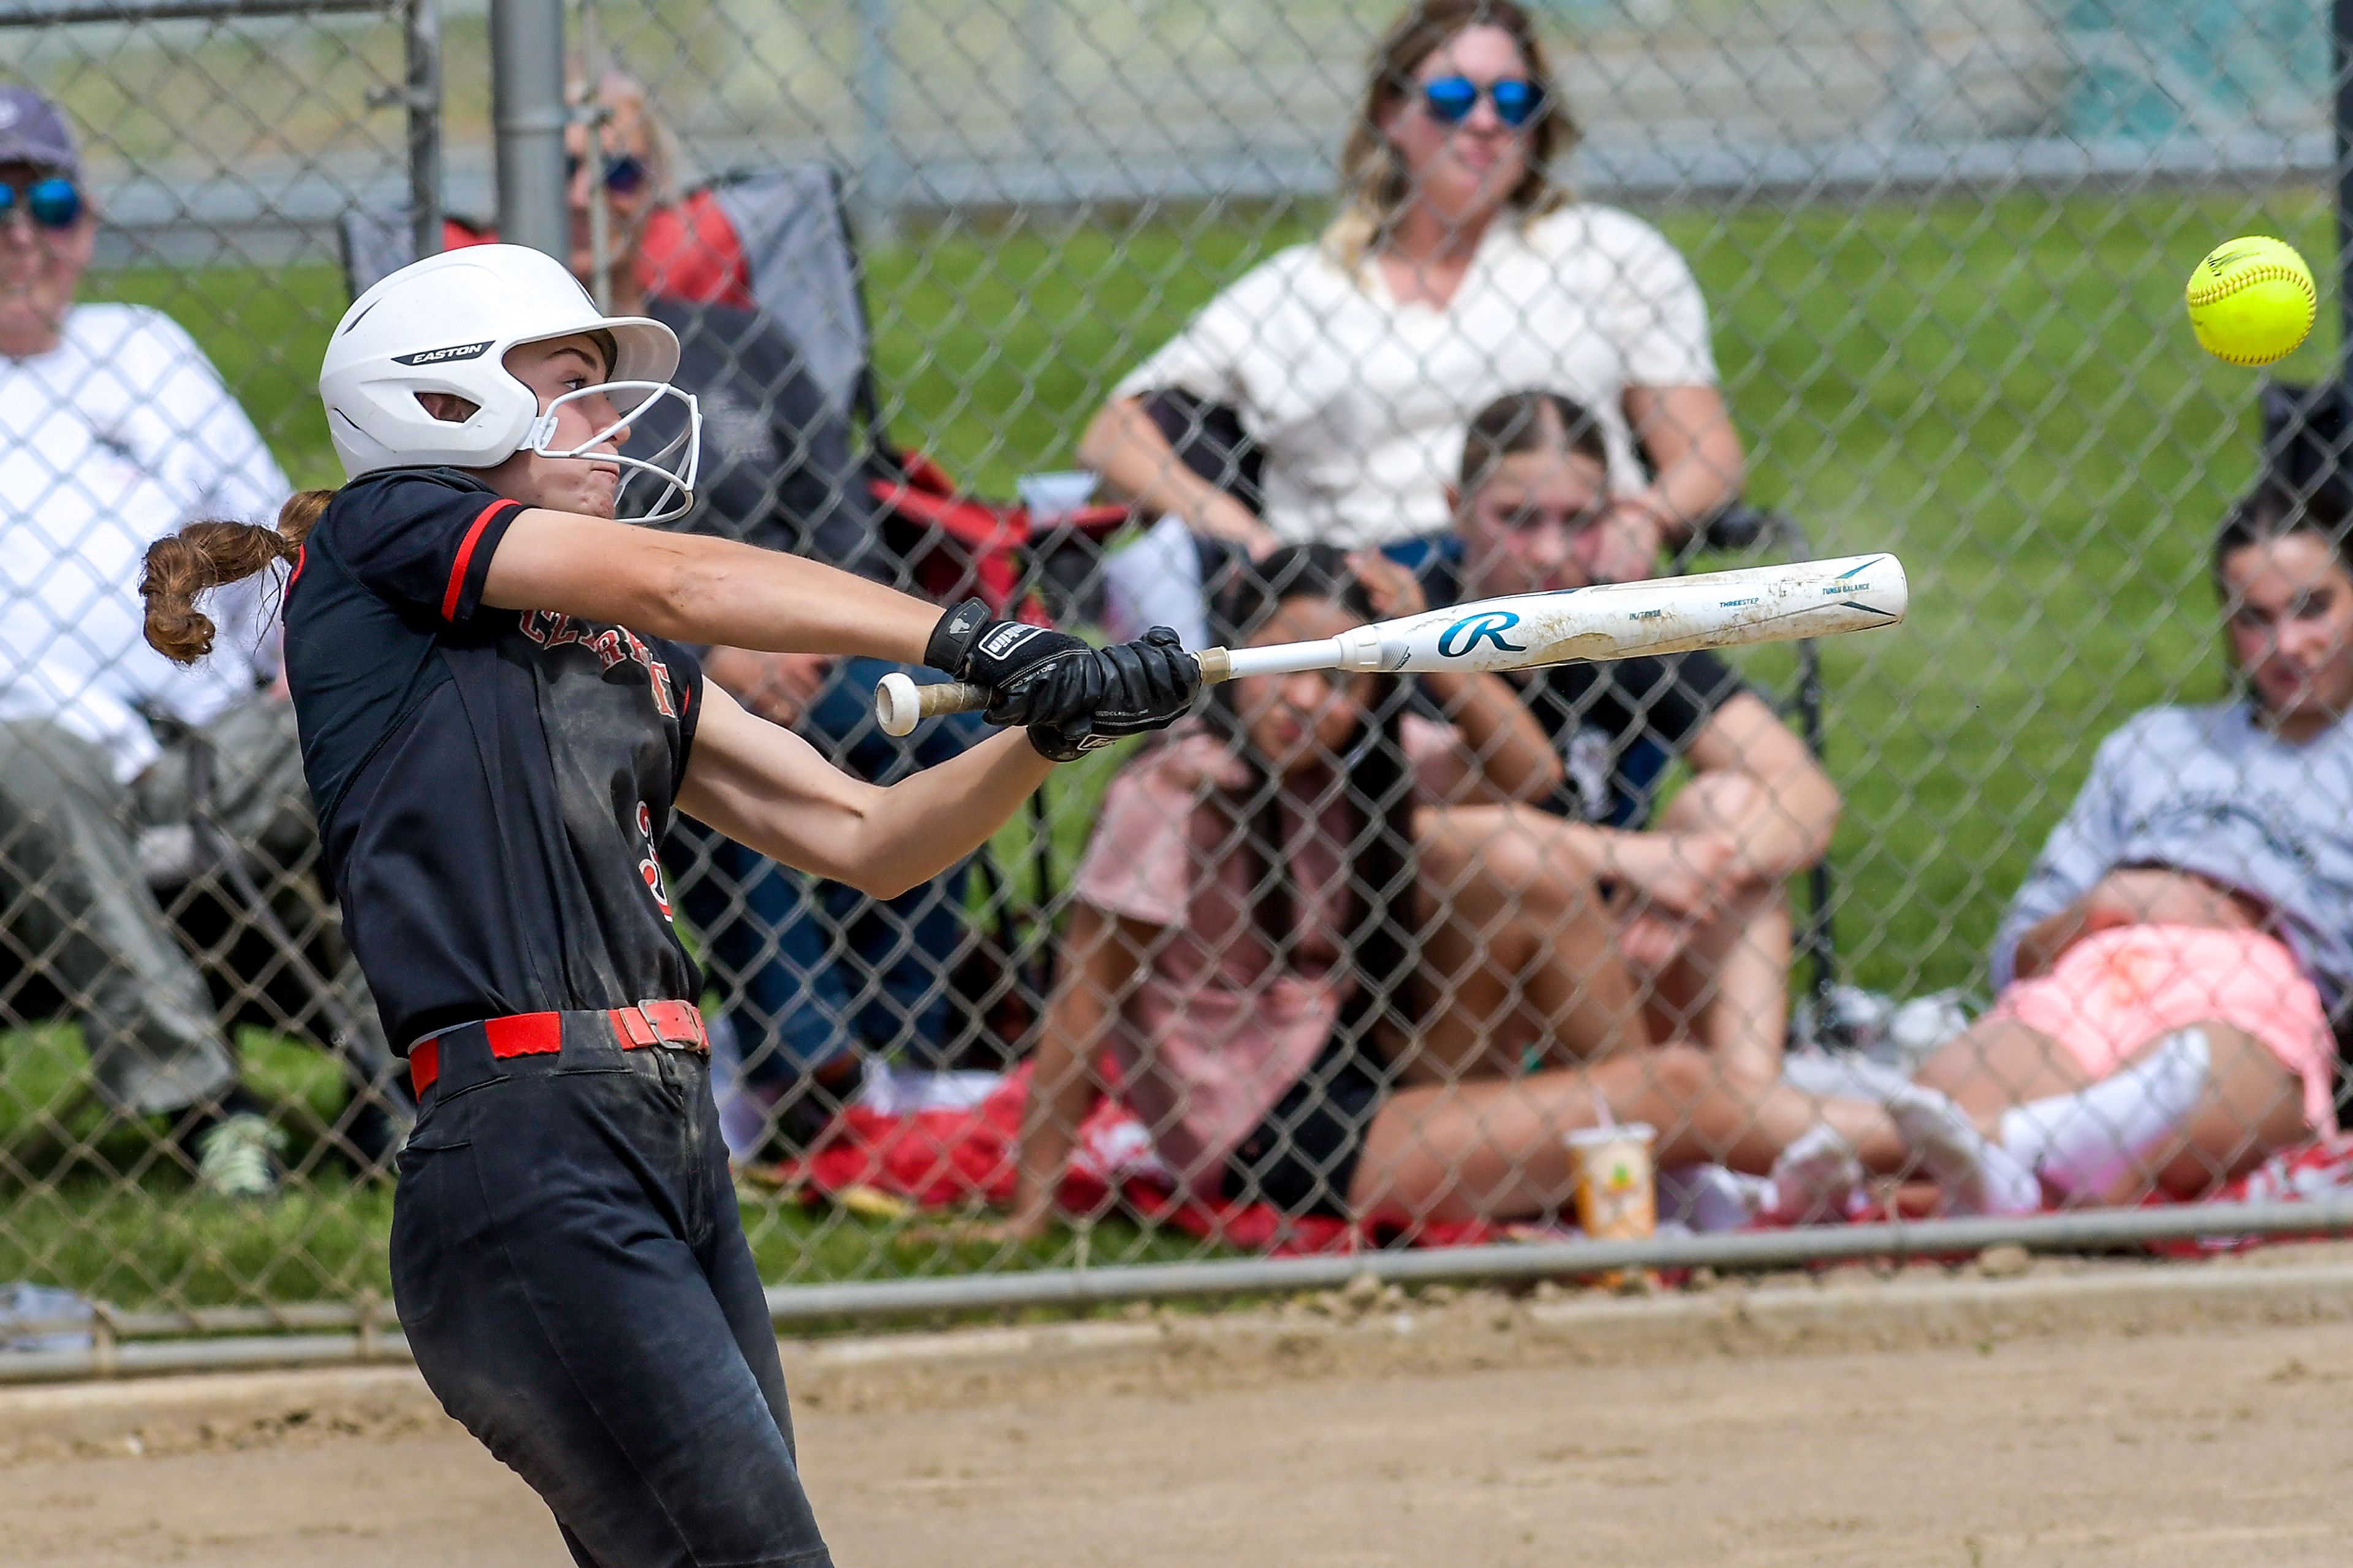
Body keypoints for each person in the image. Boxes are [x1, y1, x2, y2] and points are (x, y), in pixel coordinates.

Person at [138, 241, 1196, 1567]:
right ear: (444, 401)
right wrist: (970, 633)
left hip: (668, 1141)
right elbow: (682, 577)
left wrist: (1054, 732)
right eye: (571, 385)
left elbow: (862, 833)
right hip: (527, 1157)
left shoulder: (619, 659)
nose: (608, 419)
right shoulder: (385, 529)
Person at [987, 545, 1908, 1235]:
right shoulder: (1172, 793)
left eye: (1336, 680)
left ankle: (1743, 1145)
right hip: (1274, 1131)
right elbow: (1083, 1003)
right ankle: (1941, 1140)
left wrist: (1420, 640)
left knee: (1535, 886)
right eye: (1284, 666)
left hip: (1369, 1068)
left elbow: (1530, 772)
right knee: (1666, 1084)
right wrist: (1030, 1208)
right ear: (1238, 659)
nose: (1307, 701)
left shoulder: (1367, 765)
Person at [563, 70, 983, 1153]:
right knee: (725, 746)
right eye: (557, 170)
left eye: (613, 169)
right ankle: (812, 1068)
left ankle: (904, 1055)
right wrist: (714, 653)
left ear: (653, 191)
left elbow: (842, 524)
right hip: (622, 665)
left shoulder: (743, 344)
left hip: (798, 644)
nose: (583, 197)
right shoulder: (519, 380)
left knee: (945, 725)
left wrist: (792, 647)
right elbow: (551, 570)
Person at [0, 83, 395, 1197]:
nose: (23, 230)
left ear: (85, 221)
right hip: (36, 779)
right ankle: (207, 1101)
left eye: (51, 197)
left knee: (391, 719)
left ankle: (405, 1089)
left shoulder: (145, 353)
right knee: (24, 757)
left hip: (214, 744)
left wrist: (304, 669)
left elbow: (279, 549)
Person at [1808, 482, 2348, 1214]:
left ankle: (1946, 1162)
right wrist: (2103, 908)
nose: (2288, 645)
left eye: (2314, 608)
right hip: (2090, 972)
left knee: (2187, 1083)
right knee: (1943, 1097)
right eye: (2255, 620)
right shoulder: (2153, 744)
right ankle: (2045, 1153)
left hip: (2248, 985)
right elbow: (2015, 958)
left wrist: (2228, 912)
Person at [1080, 0, 1741, 579]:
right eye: (1452, 100)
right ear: (1391, 113)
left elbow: (1708, 455)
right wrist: (1254, 544)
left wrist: (1646, 520)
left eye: (1513, 101)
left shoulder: (1606, 252)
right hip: (1369, 618)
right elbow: (1114, 435)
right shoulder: (1305, 288)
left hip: (1562, 584)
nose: (1485, 123)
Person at [1431, 390, 1839, 1083]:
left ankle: (1751, 1119)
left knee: (1728, 805)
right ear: (1455, 505)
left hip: (1622, 954)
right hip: (1468, 986)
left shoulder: (1615, 619)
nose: (1550, 551)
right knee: (1457, 785)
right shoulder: (1413, 632)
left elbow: (1807, 797)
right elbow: (1426, 833)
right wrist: (1631, 860)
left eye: (1578, 521)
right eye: (1518, 519)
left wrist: (1698, 874)